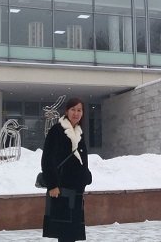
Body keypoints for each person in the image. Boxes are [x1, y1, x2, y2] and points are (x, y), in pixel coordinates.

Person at [41, 97, 93, 241]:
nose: (76, 113)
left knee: (72, 233)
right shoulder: (57, 130)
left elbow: (82, 159)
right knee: (64, 233)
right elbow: (47, 159)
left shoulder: (79, 132)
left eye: (79, 110)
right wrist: (52, 185)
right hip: (61, 189)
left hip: (76, 190)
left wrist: (86, 176)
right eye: (73, 109)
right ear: (66, 111)